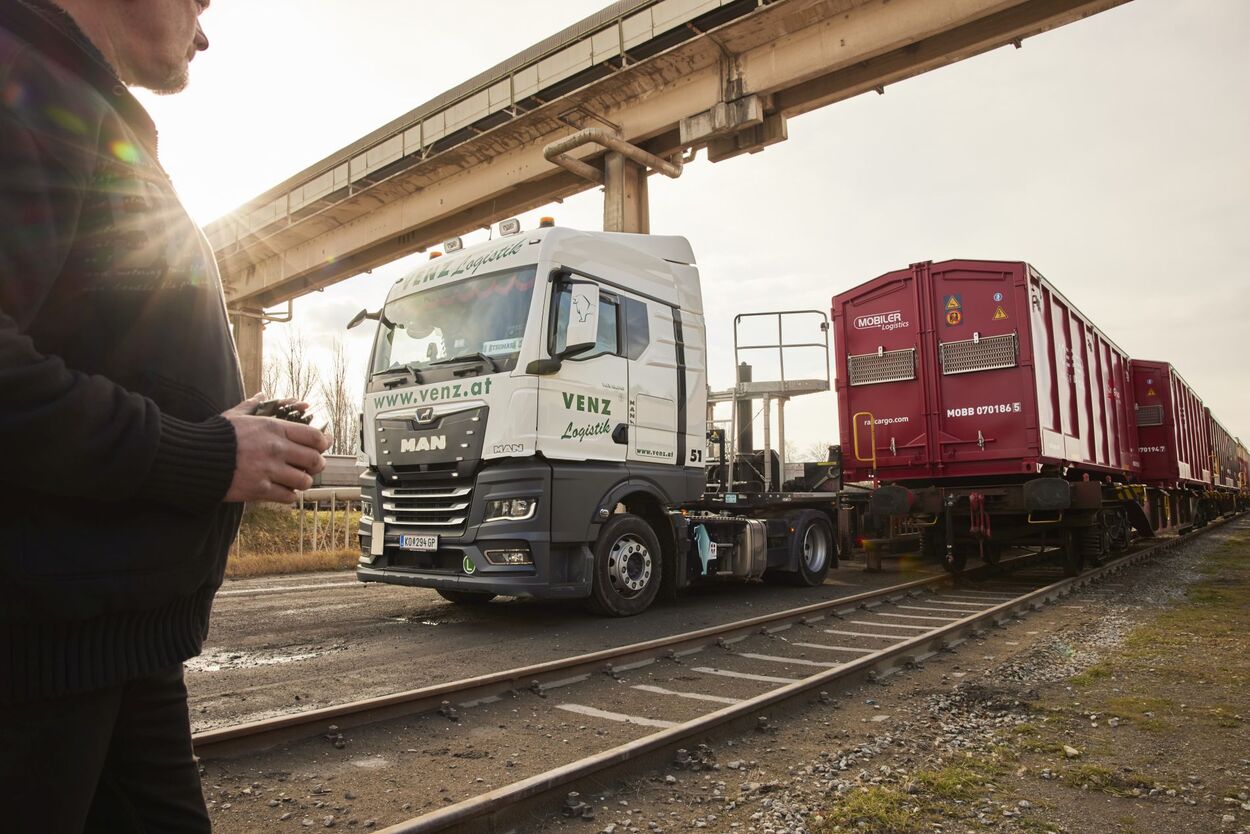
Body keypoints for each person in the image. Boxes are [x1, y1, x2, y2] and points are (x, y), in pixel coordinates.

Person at [0, 1, 332, 831]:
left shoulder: (71, 102)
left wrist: (213, 424)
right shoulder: (25, 87)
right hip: (40, 649)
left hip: (114, 632)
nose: (205, 29)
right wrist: (204, 455)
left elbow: (83, 342)